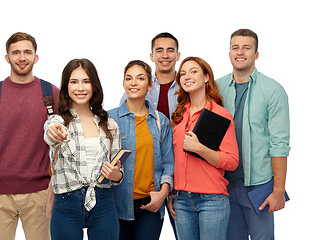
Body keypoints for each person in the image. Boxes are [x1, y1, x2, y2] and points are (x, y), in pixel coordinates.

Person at [0, 32, 59, 240]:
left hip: (40, 191)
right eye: (16, 52)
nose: (22, 58)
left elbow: (64, 143)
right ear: (7, 57)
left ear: (36, 57)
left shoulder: (51, 93)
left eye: (27, 52)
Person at [217, 29, 290, 240]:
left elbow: (279, 144)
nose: (240, 52)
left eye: (246, 48)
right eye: (235, 47)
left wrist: (278, 191)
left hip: (259, 187)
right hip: (224, 186)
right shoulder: (216, 87)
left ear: (256, 54)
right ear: (229, 52)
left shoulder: (273, 90)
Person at [44, 58, 122, 240]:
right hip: (66, 202)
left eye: (86, 81)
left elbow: (119, 174)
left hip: (103, 200)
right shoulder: (57, 122)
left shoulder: (110, 125)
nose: (80, 88)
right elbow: (50, 132)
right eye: (74, 82)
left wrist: (115, 174)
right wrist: (53, 132)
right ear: (66, 86)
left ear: (94, 85)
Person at [168, 56, 239, 240]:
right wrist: (172, 193)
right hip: (181, 199)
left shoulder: (220, 115)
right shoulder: (179, 115)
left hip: (212, 200)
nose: (187, 76)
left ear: (206, 77)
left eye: (193, 71)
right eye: (183, 73)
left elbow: (232, 162)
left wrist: (200, 148)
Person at [108, 60, 174, 240]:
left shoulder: (160, 121)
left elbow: (168, 163)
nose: (133, 83)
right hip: (117, 204)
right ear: (123, 83)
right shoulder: (109, 118)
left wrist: (163, 194)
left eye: (140, 78)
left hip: (151, 205)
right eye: (128, 78)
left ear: (150, 85)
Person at [120, 32, 181, 120]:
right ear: (152, 56)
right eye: (159, 50)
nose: (165, 55)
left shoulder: (186, 87)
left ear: (178, 56)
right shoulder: (139, 87)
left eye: (170, 50)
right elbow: (122, 118)